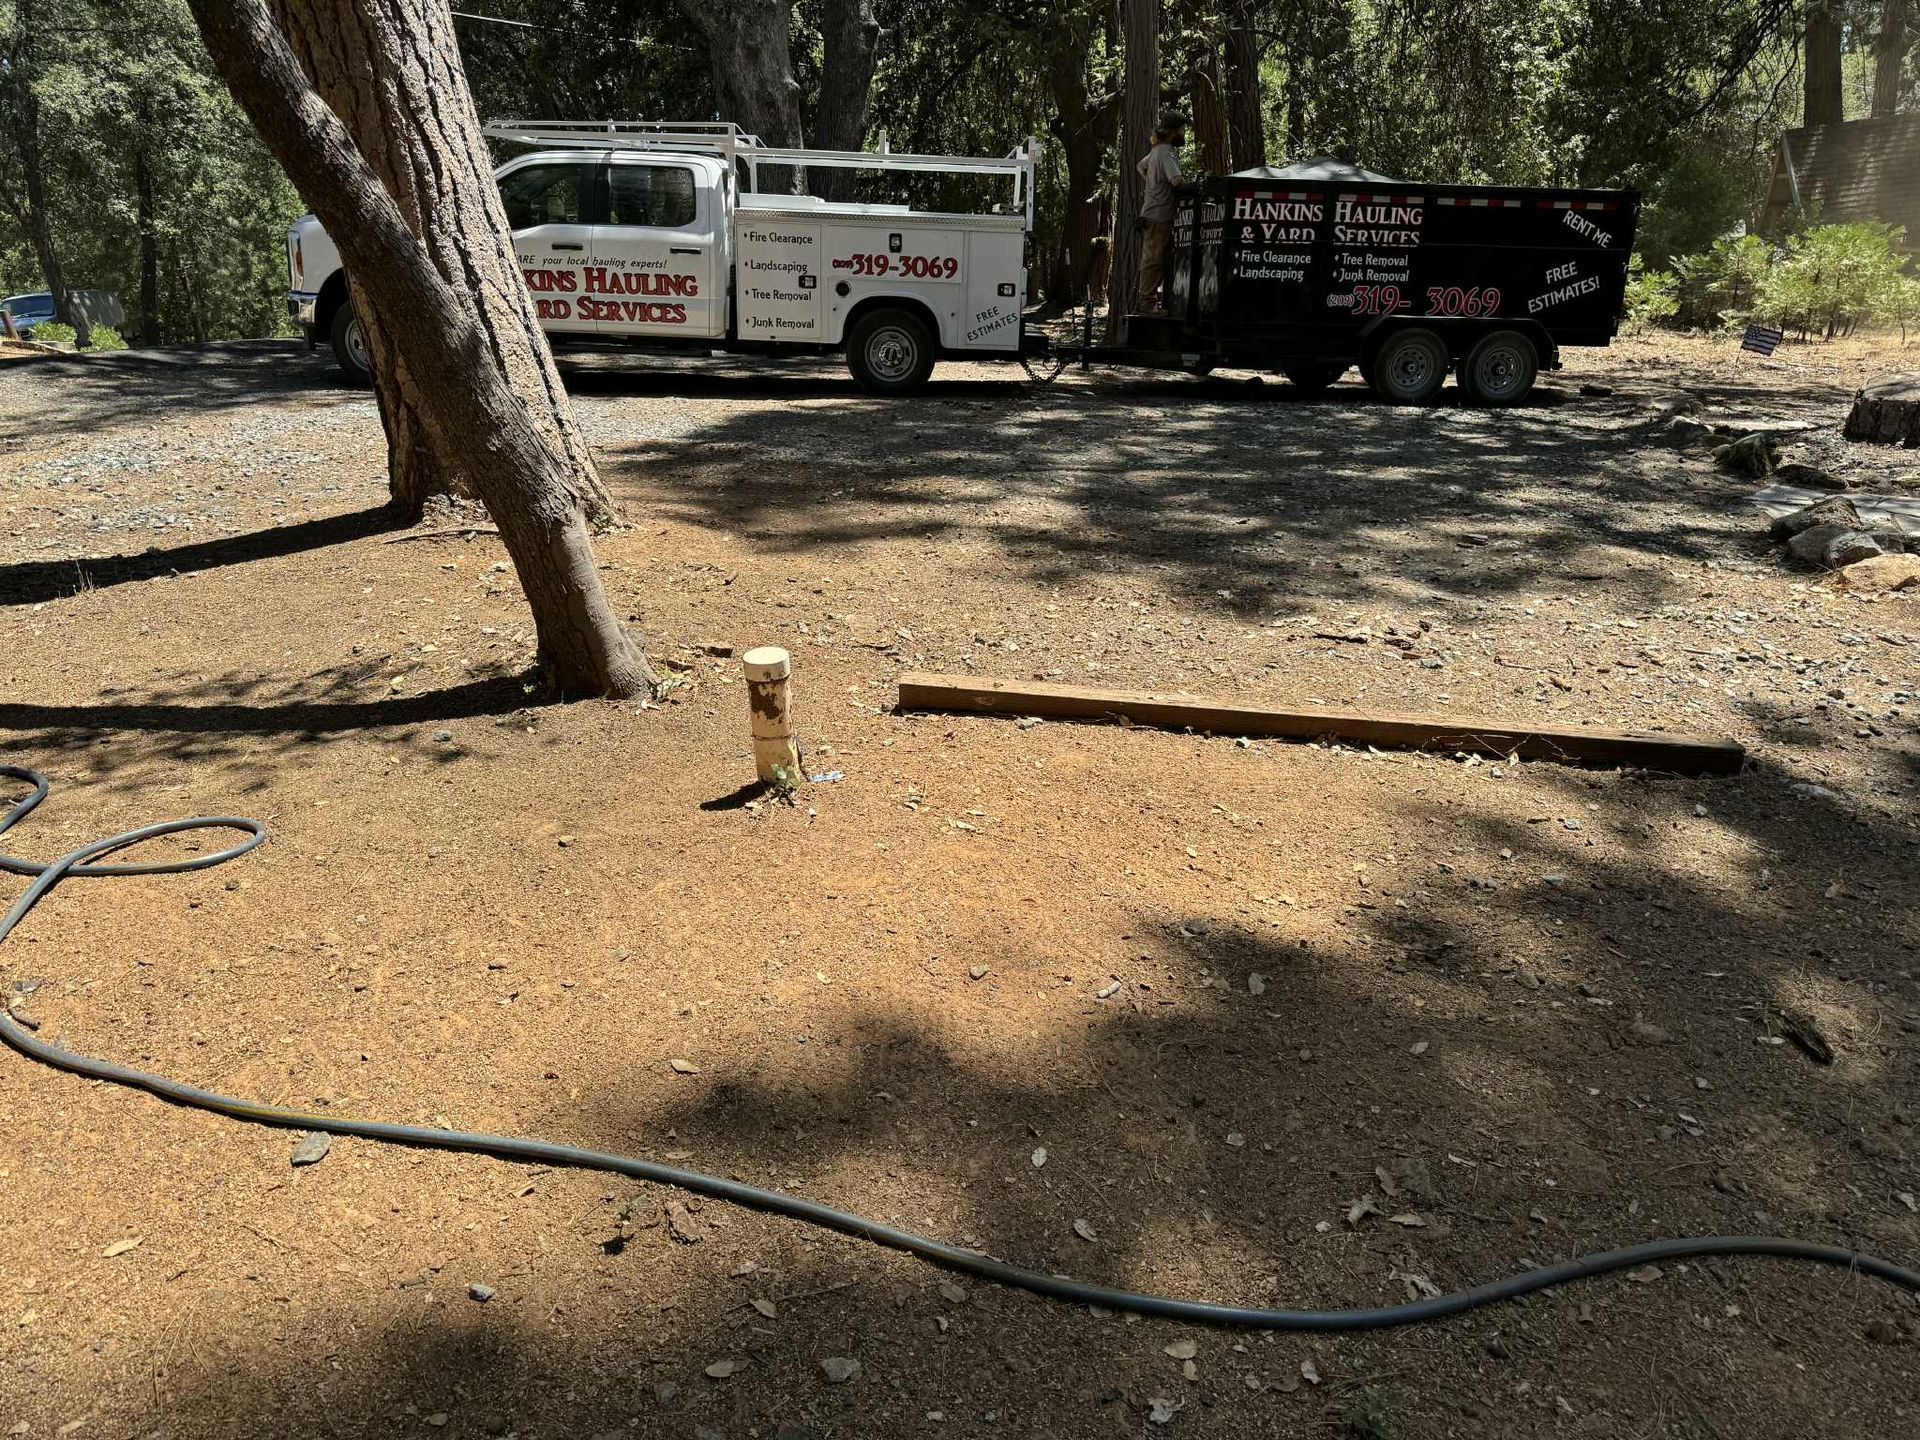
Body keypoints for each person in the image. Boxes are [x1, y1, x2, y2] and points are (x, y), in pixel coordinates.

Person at [1135, 111, 1190, 314]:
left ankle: (1150, 303)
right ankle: (1147, 305)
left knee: (1156, 259)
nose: (1184, 134)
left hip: (1152, 213)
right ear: (1173, 132)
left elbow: (1141, 166)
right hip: (1159, 215)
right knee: (1154, 260)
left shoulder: (1156, 151)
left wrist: (1153, 184)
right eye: (1182, 130)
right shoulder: (1165, 152)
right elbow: (1176, 181)